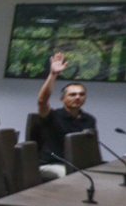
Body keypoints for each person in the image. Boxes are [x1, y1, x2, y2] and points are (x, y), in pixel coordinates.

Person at [35, 51, 96, 179]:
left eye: (81, 94)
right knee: (72, 176)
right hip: (51, 164)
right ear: (62, 99)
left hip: (77, 165)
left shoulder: (89, 120)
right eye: (72, 95)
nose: (78, 97)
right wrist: (53, 74)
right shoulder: (52, 116)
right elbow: (42, 101)